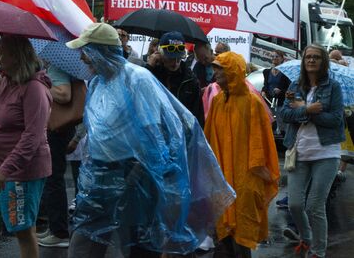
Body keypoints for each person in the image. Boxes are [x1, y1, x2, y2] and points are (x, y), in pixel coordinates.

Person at [65, 23, 234, 257]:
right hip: (100, 178)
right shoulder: (97, 82)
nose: (82, 58)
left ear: (101, 52)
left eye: (86, 51)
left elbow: (156, 135)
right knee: (83, 244)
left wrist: (138, 177)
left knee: (138, 247)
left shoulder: (137, 79)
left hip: (134, 177)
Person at [0, 35, 52, 258]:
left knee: (23, 231)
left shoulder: (34, 89)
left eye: (2, 52)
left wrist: (6, 170)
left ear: (17, 56)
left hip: (19, 173)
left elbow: (32, 137)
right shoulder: (5, 81)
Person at [204, 51, 280, 257]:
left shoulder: (252, 103)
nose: (215, 72)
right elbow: (210, 139)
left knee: (242, 235)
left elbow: (259, 144)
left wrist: (257, 172)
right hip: (223, 177)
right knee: (225, 234)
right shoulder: (218, 101)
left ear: (233, 71)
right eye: (215, 67)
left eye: (220, 68)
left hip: (247, 177)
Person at [280, 44, 345, 258]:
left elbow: (336, 120)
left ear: (323, 61)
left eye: (316, 57)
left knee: (314, 206)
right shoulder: (295, 85)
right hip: (299, 151)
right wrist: (306, 109)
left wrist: (308, 113)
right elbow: (283, 114)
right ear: (303, 60)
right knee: (295, 204)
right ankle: (306, 237)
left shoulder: (333, 87)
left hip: (326, 153)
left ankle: (318, 250)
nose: (311, 60)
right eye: (308, 57)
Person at [37, 64, 75, 248]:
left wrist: (41, 84)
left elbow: (64, 95)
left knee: (53, 179)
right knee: (50, 178)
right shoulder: (51, 67)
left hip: (58, 129)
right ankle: (54, 226)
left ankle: (59, 232)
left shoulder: (58, 69)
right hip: (55, 128)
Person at [146, 31, 204, 126]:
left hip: (182, 132)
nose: (176, 63)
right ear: (160, 53)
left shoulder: (191, 80)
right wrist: (149, 67)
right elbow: (137, 95)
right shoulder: (151, 73)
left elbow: (198, 117)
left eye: (179, 58)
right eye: (171, 58)